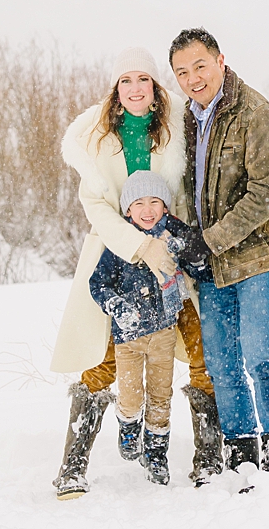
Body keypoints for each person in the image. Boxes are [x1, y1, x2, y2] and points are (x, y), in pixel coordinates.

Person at [50, 47, 223, 500]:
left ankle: (209, 459)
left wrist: (178, 246)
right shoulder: (97, 136)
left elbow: (185, 194)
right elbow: (96, 205)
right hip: (119, 260)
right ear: (115, 89)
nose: (134, 88)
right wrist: (140, 246)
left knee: (202, 353)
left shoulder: (175, 128)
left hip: (172, 264)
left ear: (155, 85)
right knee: (102, 360)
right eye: (125, 80)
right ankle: (72, 467)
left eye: (142, 79)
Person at [169, 27, 269, 480]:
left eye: (200, 66)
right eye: (182, 72)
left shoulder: (255, 113)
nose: (193, 78)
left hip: (261, 256)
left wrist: (210, 240)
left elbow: (267, 192)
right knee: (222, 363)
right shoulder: (185, 120)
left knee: (260, 354)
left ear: (220, 61)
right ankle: (241, 451)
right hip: (211, 262)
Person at [88, 170, 213, 485]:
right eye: (139, 203)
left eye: (155, 202)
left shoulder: (173, 236)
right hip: (128, 338)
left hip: (164, 334)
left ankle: (156, 455)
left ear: (165, 207)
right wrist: (118, 307)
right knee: (131, 396)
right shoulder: (122, 244)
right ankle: (129, 425)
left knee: (160, 398)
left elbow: (199, 263)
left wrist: (191, 253)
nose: (147, 210)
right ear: (128, 210)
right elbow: (98, 284)